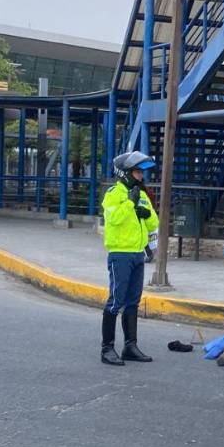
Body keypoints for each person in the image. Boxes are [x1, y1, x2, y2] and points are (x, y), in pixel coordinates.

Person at [99, 151, 160, 366]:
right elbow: (114, 218)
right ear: (125, 173)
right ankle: (107, 348)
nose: (141, 176)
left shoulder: (140, 193)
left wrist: (145, 212)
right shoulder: (113, 193)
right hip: (120, 254)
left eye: (141, 172)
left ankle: (130, 346)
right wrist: (130, 204)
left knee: (133, 301)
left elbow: (154, 222)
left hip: (137, 254)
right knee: (116, 300)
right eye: (137, 172)